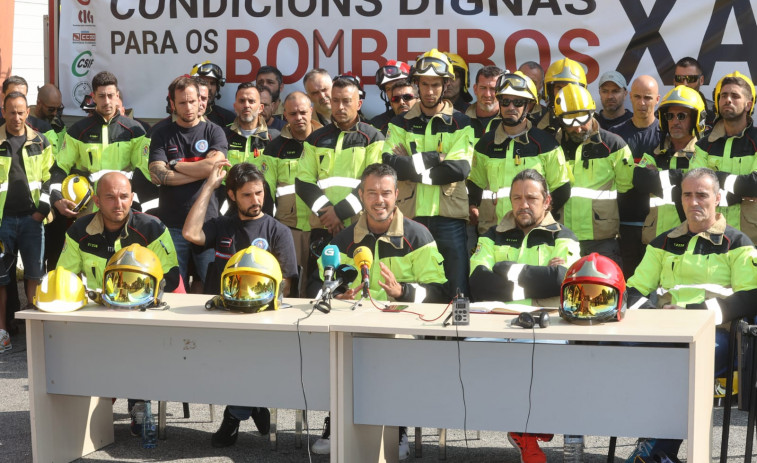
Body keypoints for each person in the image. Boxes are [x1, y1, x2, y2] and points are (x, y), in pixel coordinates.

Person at [308, 163, 449, 459]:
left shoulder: (418, 236)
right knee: (335, 351)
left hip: (402, 331)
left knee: (390, 355)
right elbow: (320, 283)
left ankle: (396, 427)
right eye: (371, 193)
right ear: (361, 195)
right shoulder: (344, 240)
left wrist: (404, 292)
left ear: (397, 195)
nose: (379, 200)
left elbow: (439, 293)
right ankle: (337, 423)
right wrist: (337, 293)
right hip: (352, 328)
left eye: (385, 192)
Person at [625, 167, 757, 462]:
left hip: (717, 334)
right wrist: (653, 315)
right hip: (664, 330)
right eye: (687, 195)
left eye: (702, 195)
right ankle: (657, 451)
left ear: (718, 198)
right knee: (621, 355)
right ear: (680, 199)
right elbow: (632, 290)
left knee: (683, 366)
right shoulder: (661, 243)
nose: (694, 201)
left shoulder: (738, 243)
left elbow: (751, 297)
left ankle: (654, 449)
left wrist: (695, 314)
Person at [470, 169, 579, 462]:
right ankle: (525, 429)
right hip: (496, 322)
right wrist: (537, 281)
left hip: (547, 324)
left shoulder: (564, 236)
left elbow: (562, 280)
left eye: (531, 198)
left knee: (546, 359)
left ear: (547, 201)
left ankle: (527, 431)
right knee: (471, 352)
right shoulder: (492, 235)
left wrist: (506, 270)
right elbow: (478, 281)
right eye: (517, 198)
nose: (523, 205)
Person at [382, 49, 474, 297]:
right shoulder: (400, 123)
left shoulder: (461, 123)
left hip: (449, 219)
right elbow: (390, 165)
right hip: (411, 218)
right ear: (416, 84)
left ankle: (455, 335)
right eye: (424, 84)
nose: (430, 91)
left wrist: (411, 168)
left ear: (446, 84)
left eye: (436, 84)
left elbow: (459, 169)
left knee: (456, 289)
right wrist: (436, 158)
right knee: (415, 284)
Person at [295, 76, 384, 268]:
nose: (340, 107)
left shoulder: (373, 137)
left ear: (358, 104)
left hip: (360, 226)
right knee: (318, 284)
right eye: (335, 100)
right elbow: (303, 182)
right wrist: (328, 215)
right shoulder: (315, 139)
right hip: (322, 226)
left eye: (346, 101)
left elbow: (373, 183)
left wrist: (338, 212)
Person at [467, 72, 571, 236]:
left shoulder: (546, 144)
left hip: (534, 233)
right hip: (493, 233)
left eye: (518, 102)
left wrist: (538, 218)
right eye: (506, 101)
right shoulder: (485, 144)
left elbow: (562, 189)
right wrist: (472, 205)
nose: (511, 107)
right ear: (499, 103)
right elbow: (474, 186)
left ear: (528, 106)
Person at [148, 75, 227, 291]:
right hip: (172, 224)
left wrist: (176, 165)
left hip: (207, 224)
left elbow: (217, 166)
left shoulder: (214, 131)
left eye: (193, 101)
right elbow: (158, 173)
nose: (189, 107)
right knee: (174, 287)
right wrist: (203, 170)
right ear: (172, 103)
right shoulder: (161, 133)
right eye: (182, 102)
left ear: (201, 100)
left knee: (212, 284)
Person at [57, 171, 180, 292]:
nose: (118, 204)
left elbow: (169, 280)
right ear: (97, 201)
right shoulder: (78, 230)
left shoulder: (153, 228)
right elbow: (65, 278)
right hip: (96, 308)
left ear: (131, 199)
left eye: (124, 197)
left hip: (141, 306)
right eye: (110, 197)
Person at [556, 84, 634, 266]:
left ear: (592, 112)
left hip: (603, 240)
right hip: (562, 237)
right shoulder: (552, 146)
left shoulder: (614, 145)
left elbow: (626, 189)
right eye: (570, 121)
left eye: (582, 119)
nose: (577, 128)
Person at [50, 71, 149, 215]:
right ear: (93, 97)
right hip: (88, 207)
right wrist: (56, 197)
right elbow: (60, 166)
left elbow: (143, 171)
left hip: (123, 207)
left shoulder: (135, 131)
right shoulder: (78, 131)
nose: (107, 101)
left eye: (110, 95)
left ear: (117, 95)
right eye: (102, 96)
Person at [0, 91, 53, 353]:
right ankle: (2, 333)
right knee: (0, 279)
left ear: (28, 112)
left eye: (21, 112)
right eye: (11, 111)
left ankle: (33, 334)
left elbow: (49, 178)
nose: (17, 117)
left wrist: (42, 210)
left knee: (34, 274)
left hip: (32, 220)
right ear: (3, 112)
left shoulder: (41, 141)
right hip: (3, 221)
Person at [264, 91, 322, 296]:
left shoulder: (325, 140)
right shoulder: (274, 148)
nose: (299, 118)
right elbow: (267, 192)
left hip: (323, 226)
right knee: (291, 287)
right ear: (285, 116)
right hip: (289, 229)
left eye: (303, 112)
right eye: (293, 114)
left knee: (319, 285)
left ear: (311, 111)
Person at [689, 71, 757, 243]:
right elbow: (696, 186)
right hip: (711, 238)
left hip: (752, 239)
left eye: (735, 96)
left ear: (748, 105)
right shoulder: (703, 145)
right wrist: (739, 195)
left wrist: (716, 179)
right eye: (724, 95)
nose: (728, 100)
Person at [635, 86, 704, 244]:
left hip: (691, 240)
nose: (675, 121)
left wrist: (658, 176)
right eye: (670, 116)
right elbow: (641, 181)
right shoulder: (655, 152)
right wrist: (683, 178)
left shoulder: (704, 153)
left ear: (696, 119)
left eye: (681, 116)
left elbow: (698, 186)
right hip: (655, 240)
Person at [608, 75, 662, 276]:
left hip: (657, 226)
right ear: (629, 97)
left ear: (657, 100)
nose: (642, 103)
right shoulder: (614, 136)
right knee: (626, 285)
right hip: (623, 226)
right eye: (637, 96)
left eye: (648, 98)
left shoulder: (665, 136)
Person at [223, 82, 279, 215]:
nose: (246, 105)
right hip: (231, 215)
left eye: (251, 101)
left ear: (260, 107)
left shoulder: (274, 137)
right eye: (242, 101)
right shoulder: (223, 136)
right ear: (235, 106)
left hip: (264, 214)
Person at [539, 58, 587, 134]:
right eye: (559, 88)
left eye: (570, 88)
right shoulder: (538, 120)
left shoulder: (590, 121)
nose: (564, 93)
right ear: (550, 92)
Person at [369, 60, 412, 134]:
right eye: (389, 89)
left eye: (399, 86)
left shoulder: (433, 120)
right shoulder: (375, 126)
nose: (394, 93)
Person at [674, 56, 716, 131]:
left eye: (691, 79)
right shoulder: (662, 113)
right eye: (679, 78)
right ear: (674, 81)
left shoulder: (715, 114)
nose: (685, 84)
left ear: (701, 80)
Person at [190, 60, 236, 127]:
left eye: (213, 83)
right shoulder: (182, 115)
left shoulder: (228, 118)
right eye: (203, 82)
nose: (209, 88)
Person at [466, 65, 503, 139]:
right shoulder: (462, 118)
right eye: (483, 88)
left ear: (501, 90)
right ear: (475, 89)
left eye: (493, 89)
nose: (487, 94)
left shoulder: (510, 120)